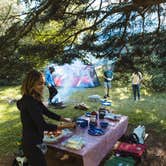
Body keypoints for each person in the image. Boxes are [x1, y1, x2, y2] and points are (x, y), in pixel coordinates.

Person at [17, 69, 75, 166]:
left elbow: (47, 112)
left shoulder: (33, 98)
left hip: (35, 140)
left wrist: (65, 119)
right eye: (40, 84)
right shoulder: (30, 102)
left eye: (43, 83)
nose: (43, 86)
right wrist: (67, 126)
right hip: (31, 143)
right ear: (31, 84)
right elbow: (43, 125)